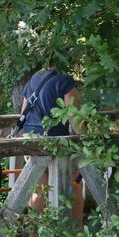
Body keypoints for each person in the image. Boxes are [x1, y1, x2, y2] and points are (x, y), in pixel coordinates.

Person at [20, 66, 84, 224]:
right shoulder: (64, 81)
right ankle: (76, 232)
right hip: (55, 140)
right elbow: (74, 118)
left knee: (38, 190)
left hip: (30, 138)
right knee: (73, 184)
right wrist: (87, 140)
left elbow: (23, 114)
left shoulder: (33, 80)